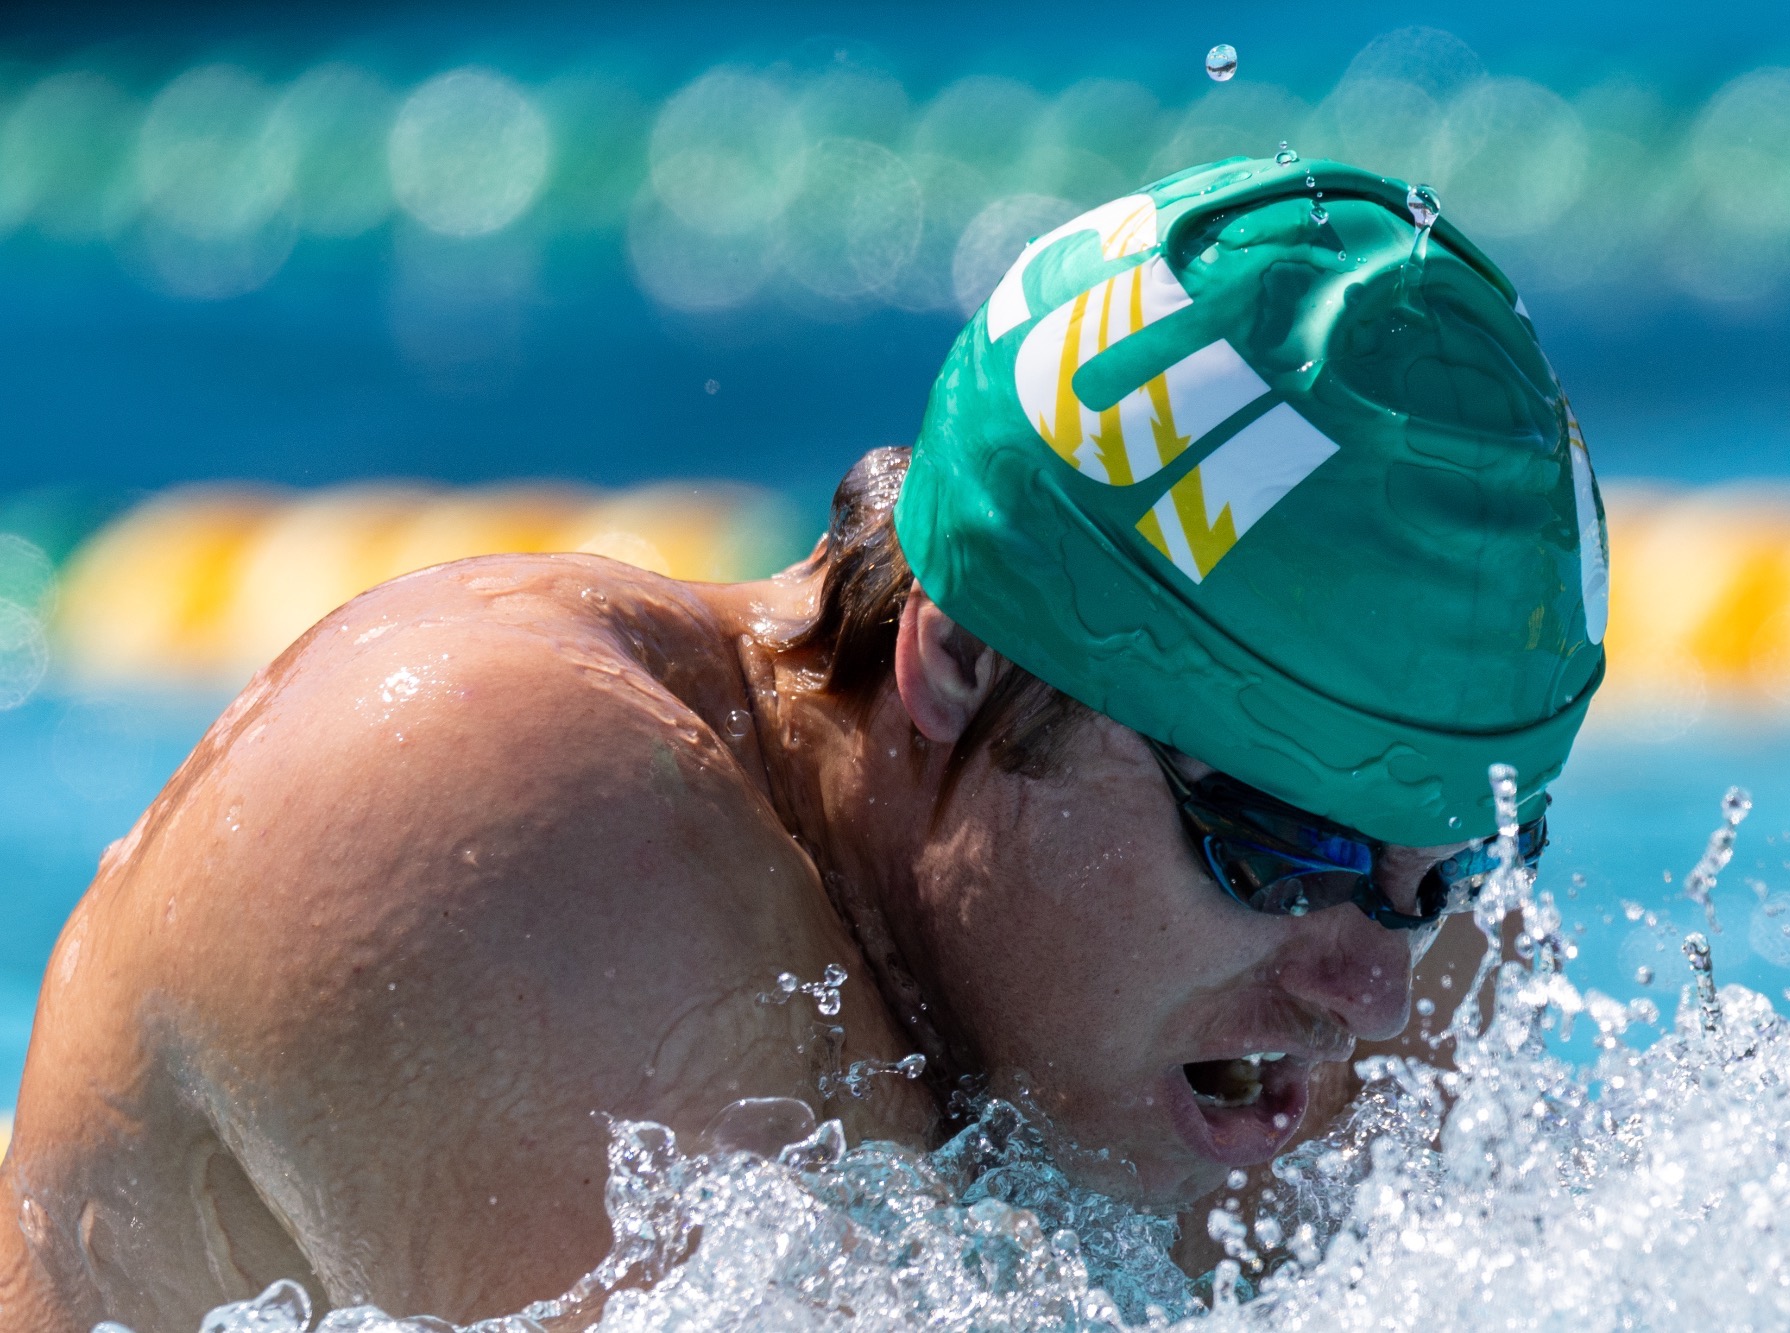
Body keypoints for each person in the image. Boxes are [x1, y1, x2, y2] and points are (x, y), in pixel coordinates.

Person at [0, 155, 1606, 1331]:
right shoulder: (513, 836)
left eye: (1454, 865)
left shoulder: (1352, 956)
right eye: (1274, 843)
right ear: (961, 657)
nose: (1377, 993)